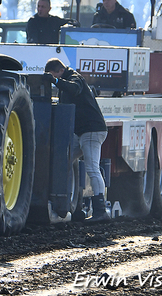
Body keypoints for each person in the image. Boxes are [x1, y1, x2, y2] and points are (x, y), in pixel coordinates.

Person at [43, 58, 110, 222]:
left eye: (53, 76)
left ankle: (101, 211)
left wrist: (56, 81)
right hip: (81, 132)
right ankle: (72, 204)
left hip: (91, 130)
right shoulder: (67, 81)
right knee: (62, 160)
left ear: (59, 71)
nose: (54, 81)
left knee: (92, 168)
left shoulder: (74, 78)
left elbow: (74, 89)